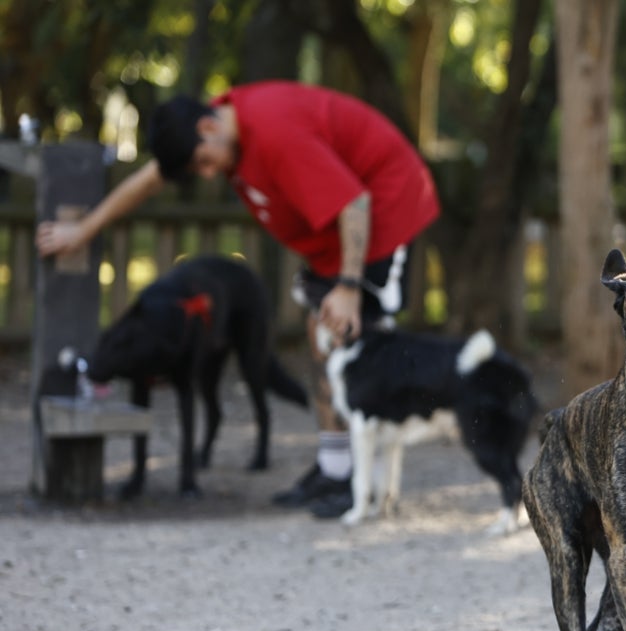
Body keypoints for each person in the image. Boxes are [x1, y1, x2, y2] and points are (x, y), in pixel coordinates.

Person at [36, 81, 441, 518]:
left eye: (204, 162)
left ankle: (372, 488)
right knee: (321, 335)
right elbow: (147, 180)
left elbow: (356, 202)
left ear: (209, 127)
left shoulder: (276, 134)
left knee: (358, 348)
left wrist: (347, 286)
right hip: (337, 229)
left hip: (383, 208)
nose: (209, 174)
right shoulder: (211, 129)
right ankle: (335, 467)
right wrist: (84, 229)